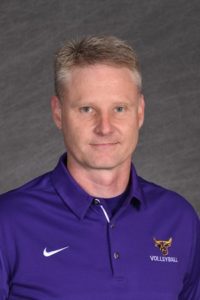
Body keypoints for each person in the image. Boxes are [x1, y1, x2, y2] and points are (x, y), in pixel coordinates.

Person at [0, 35, 199, 300]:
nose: (105, 127)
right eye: (86, 109)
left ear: (139, 112)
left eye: (119, 108)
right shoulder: (8, 221)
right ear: (58, 113)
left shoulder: (179, 219)